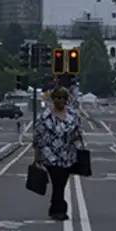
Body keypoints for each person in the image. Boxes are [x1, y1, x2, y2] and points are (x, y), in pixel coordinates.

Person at [32, 85, 81, 221]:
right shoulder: (45, 117)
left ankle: (55, 208)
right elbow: (38, 137)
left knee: (61, 183)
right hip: (51, 155)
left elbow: (78, 133)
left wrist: (77, 143)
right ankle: (59, 210)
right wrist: (37, 157)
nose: (61, 100)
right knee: (57, 182)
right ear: (53, 99)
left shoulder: (72, 115)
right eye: (58, 98)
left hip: (67, 155)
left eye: (64, 98)